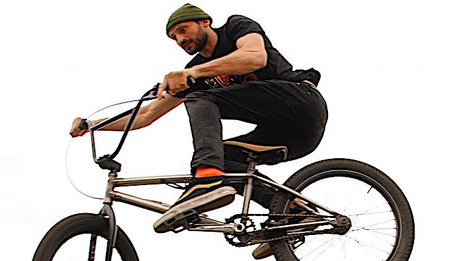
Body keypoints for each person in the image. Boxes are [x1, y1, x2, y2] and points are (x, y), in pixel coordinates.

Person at [71, 4, 328, 237]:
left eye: (183, 30)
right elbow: (146, 115)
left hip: (302, 103)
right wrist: (93, 125)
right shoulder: (195, 73)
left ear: (205, 22)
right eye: (174, 37)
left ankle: (206, 179)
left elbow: (255, 56)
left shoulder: (235, 27)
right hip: (290, 136)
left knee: (201, 99)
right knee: (225, 158)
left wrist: (193, 73)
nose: (181, 39)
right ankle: (294, 211)